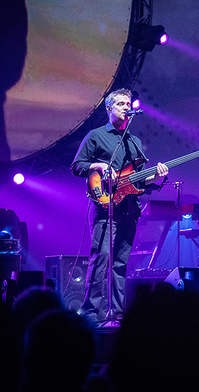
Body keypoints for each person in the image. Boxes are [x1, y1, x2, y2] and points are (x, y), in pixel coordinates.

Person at [70, 88, 169, 324]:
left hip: (129, 209)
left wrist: (156, 177)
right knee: (101, 258)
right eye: (121, 104)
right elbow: (76, 166)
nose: (126, 107)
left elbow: (138, 181)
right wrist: (99, 166)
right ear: (109, 108)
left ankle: (116, 313)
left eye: (128, 104)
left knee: (120, 263)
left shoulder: (135, 142)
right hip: (104, 207)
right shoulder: (96, 136)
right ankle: (91, 313)